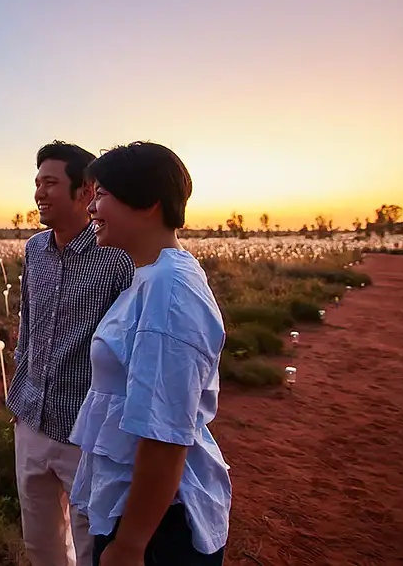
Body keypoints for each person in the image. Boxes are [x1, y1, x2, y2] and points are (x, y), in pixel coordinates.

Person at [68, 141, 232, 566]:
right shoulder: (151, 277)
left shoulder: (170, 289)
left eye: (102, 194)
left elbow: (164, 434)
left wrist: (130, 546)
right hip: (136, 509)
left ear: (148, 204)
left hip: (158, 529)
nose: (92, 208)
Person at [7, 141, 135, 566]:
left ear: (85, 191)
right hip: (31, 420)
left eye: (51, 183)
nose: (40, 193)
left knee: (89, 544)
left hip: (86, 432)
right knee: (40, 546)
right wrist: (20, 393)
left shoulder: (116, 258)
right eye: (37, 183)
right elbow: (28, 324)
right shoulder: (34, 251)